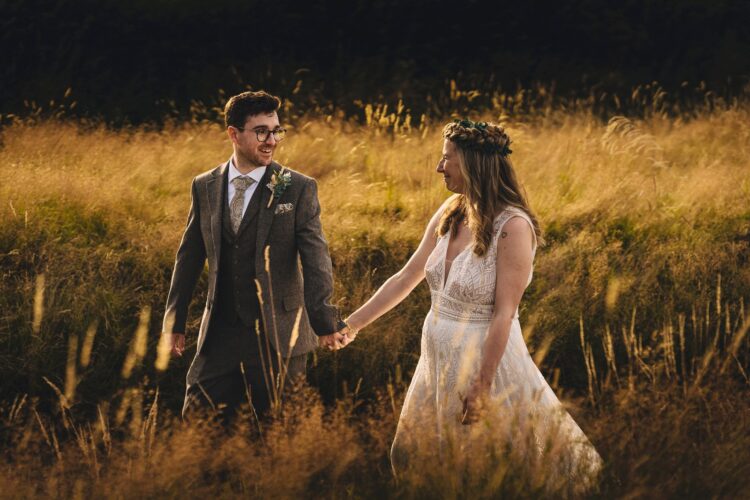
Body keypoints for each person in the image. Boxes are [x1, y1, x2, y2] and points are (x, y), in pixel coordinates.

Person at [342, 119, 602, 485]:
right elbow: (405, 277)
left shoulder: (513, 226)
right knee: (421, 458)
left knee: (486, 467)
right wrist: (351, 325)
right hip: (437, 360)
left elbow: (504, 313)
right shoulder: (452, 210)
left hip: (483, 361)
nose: (438, 167)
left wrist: (482, 385)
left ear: (473, 164)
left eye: (446, 158)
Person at [161, 90, 350, 423]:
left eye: (277, 131)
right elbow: (189, 256)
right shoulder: (204, 186)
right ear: (234, 134)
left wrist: (324, 320)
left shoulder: (297, 187)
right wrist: (174, 322)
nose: (272, 140)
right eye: (261, 131)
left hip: (279, 336)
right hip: (218, 335)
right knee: (197, 426)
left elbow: (316, 258)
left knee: (279, 436)